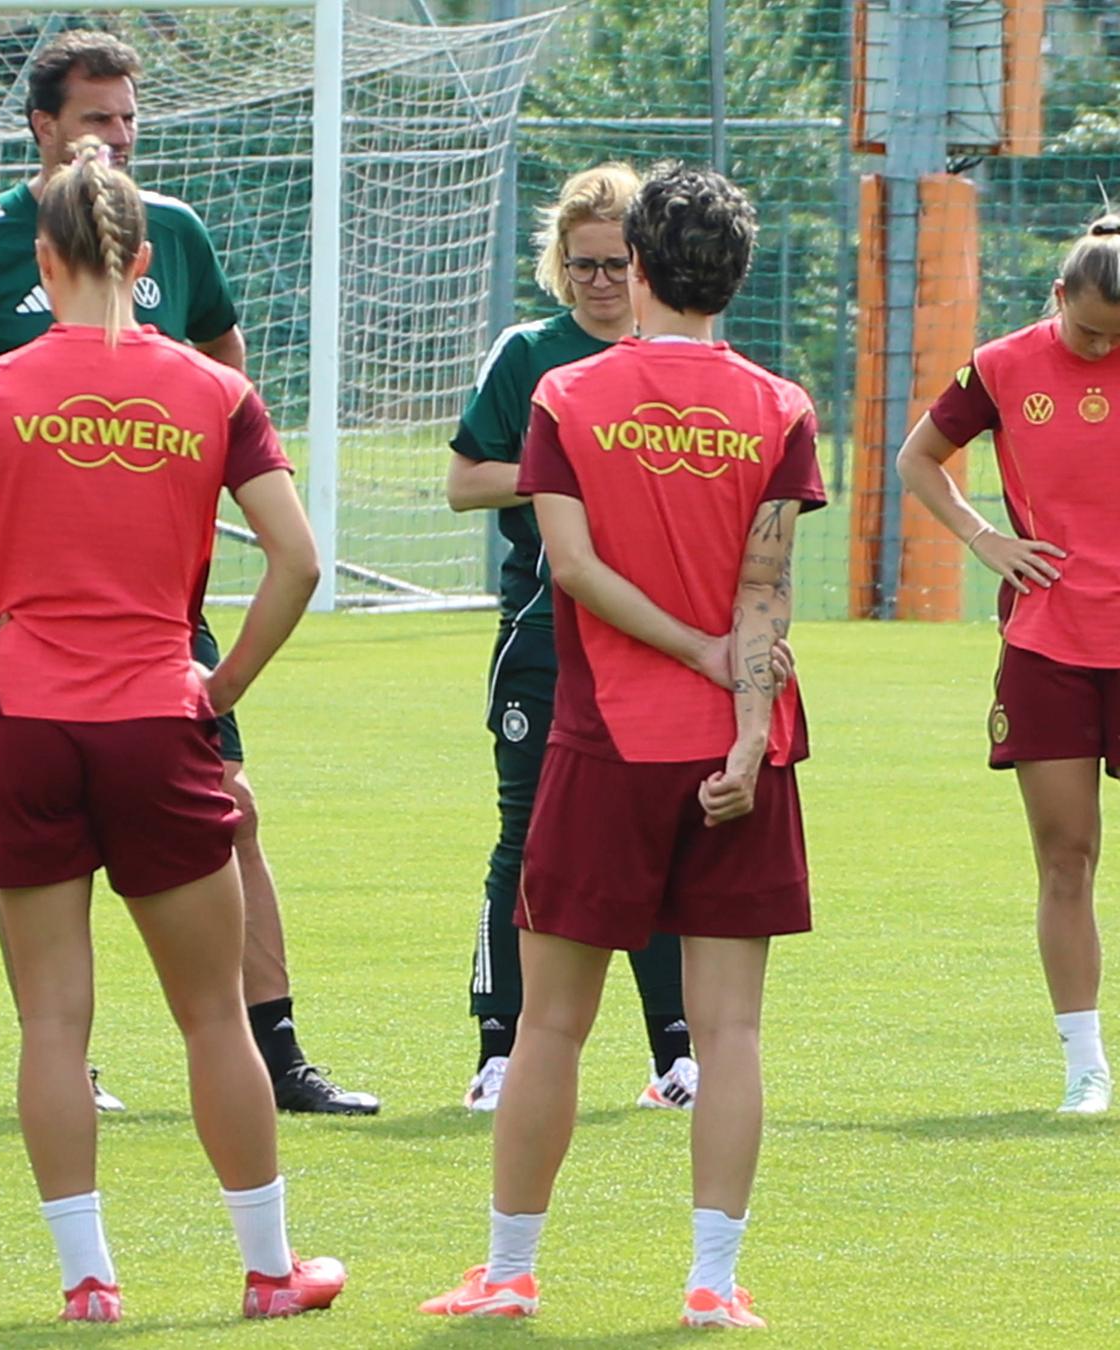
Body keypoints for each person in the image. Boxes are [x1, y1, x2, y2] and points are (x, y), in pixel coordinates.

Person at [0, 138, 344, 1324]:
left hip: (24, 720)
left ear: (42, 256)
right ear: (140, 259)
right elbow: (298, 561)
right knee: (212, 1012)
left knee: (53, 1022)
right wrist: (225, 691)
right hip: (155, 719)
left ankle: (87, 1283)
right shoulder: (211, 390)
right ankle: (269, 1271)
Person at [0, 27, 374, 1116]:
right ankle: (75, 1059)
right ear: (43, 127)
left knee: (227, 805)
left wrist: (181, 470)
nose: (115, 137)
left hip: (157, 601)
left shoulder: (173, 232)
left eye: (129, 119)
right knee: (54, 825)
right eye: (96, 117)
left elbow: (223, 366)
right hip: (18, 601)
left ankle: (275, 1046)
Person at [422, 165, 821, 1330]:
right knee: (731, 1029)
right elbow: (768, 592)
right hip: (742, 755)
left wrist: (693, 658)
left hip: (607, 743)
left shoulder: (572, 396)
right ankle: (712, 1282)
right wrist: (746, 730)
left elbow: (579, 573)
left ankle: (507, 1271)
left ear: (635, 267)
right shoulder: (780, 405)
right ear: (736, 276)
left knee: (553, 1022)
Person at [445, 162, 697, 1114]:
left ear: (646, 265)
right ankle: (499, 1049)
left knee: (661, 836)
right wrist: (565, 471)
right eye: (583, 264)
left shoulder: (674, 355)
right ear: (560, 263)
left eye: (615, 264)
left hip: (657, 638)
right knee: (530, 835)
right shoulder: (528, 353)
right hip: (546, 631)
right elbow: (467, 480)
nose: (599, 281)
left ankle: (676, 1052)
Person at [895, 214, 1120, 1115]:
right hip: (1051, 645)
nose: (1101, 345)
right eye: (1089, 328)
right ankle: (1085, 1068)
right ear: (1059, 297)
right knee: (1066, 857)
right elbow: (919, 459)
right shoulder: (1000, 365)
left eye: (1117, 335)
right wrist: (985, 537)